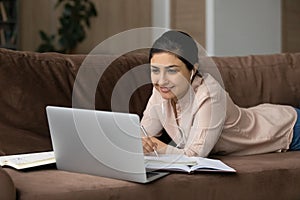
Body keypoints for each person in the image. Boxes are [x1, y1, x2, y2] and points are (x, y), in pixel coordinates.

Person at [141, 30, 300, 157]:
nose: (161, 80)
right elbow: (141, 134)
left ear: (193, 69)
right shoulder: (161, 91)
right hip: (264, 114)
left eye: (171, 71)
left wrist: (154, 145)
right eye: (155, 70)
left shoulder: (210, 94)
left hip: (288, 128)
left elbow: (194, 154)